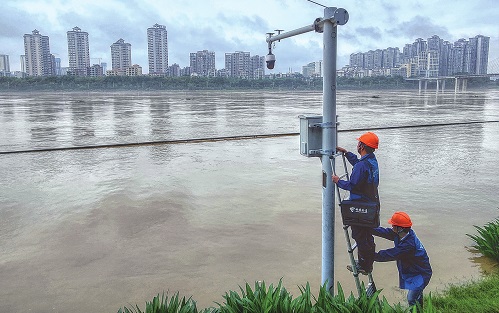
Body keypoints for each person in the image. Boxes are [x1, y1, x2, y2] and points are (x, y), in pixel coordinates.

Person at [332, 131, 379, 274]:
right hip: (372, 204)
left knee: (360, 237)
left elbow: (353, 185)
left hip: (361, 207)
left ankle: (365, 266)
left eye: (359, 143)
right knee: (367, 236)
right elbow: (359, 165)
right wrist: (346, 153)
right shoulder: (372, 161)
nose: (357, 145)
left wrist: (338, 181)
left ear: (362, 146)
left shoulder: (362, 166)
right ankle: (367, 263)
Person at [372, 211, 432, 310]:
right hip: (414, 270)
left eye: (393, 226)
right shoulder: (404, 234)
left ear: (399, 228)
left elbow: (390, 254)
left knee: (411, 298)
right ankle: (420, 310)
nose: (392, 227)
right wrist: (370, 230)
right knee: (417, 295)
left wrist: (371, 255)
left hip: (421, 274)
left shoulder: (409, 245)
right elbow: (385, 232)